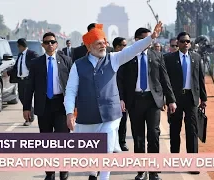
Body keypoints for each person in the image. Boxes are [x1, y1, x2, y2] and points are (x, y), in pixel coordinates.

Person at [64, 22, 164, 180]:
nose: (103, 46)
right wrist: (70, 113)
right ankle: (92, 171)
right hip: (87, 116)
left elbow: (132, 50)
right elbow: (70, 91)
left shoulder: (113, 59)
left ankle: (104, 177)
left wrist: (150, 38)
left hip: (110, 113)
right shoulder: (78, 65)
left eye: (104, 42)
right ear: (89, 47)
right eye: (99, 44)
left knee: (107, 148)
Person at [118, 28, 176, 180]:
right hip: (135, 101)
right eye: (146, 39)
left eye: (151, 39)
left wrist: (171, 100)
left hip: (153, 101)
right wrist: (121, 98)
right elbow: (121, 80)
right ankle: (140, 170)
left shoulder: (157, 55)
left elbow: (165, 79)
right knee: (138, 137)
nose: (150, 41)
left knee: (154, 135)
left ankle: (154, 171)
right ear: (137, 40)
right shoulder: (127, 57)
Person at [23, 32, 72, 180]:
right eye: (46, 42)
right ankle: (49, 173)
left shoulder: (66, 60)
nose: (50, 44)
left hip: (61, 106)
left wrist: (75, 107)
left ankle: (63, 170)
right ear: (43, 45)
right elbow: (29, 86)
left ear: (56, 44)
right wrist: (26, 107)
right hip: (43, 106)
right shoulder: (36, 63)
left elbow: (73, 85)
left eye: (52, 42)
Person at [163, 32, 207, 175]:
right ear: (178, 42)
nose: (186, 43)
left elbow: (200, 79)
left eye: (188, 41)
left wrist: (203, 98)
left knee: (192, 131)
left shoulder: (196, 57)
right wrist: (168, 99)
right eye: (182, 41)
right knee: (175, 129)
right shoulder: (169, 58)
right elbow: (166, 81)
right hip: (175, 99)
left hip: (191, 98)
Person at [7, 38, 38, 126]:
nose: (18, 48)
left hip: (28, 80)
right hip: (20, 81)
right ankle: (31, 111)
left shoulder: (31, 54)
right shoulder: (20, 55)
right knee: (21, 98)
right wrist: (8, 72)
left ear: (21, 46)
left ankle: (29, 119)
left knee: (27, 99)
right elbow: (16, 67)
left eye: (18, 46)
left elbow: (38, 63)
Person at [112, 37, 129, 151]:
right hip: (110, 95)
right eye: (123, 45)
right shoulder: (109, 59)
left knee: (123, 120)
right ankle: (112, 143)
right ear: (117, 47)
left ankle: (122, 142)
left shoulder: (127, 59)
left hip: (124, 95)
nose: (125, 47)